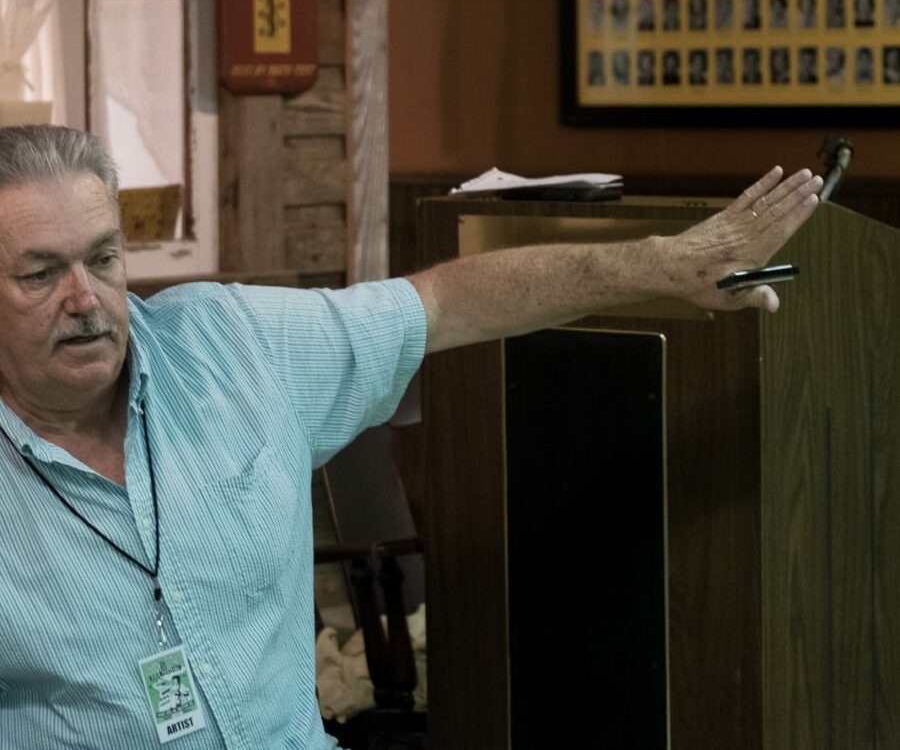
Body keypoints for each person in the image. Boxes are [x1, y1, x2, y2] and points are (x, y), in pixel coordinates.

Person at [0, 126, 825, 747]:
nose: (85, 298)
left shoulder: (229, 345)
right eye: (41, 273)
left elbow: (444, 302)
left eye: (103, 260)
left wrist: (665, 266)